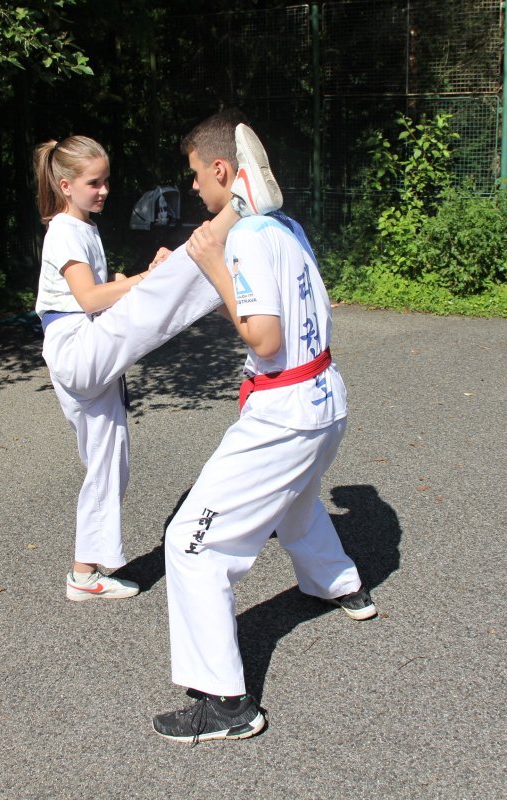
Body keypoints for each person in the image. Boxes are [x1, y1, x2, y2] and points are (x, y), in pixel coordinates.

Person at [151, 113, 377, 743]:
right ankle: (341, 586)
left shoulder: (246, 238)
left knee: (190, 545)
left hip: (284, 415)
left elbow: (264, 337)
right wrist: (197, 265)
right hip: (325, 402)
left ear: (222, 170)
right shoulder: (286, 228)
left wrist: (217, 265)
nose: (193, 185)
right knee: (295, 498)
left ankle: (226, 704)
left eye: (196, 174)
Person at [32, 134, 281, 602]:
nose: (104, 190)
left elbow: (101, 290)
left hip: (83, 346)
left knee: (109, 463)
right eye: (94, 183)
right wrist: (149, 278)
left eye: (106, 181)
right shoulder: (64, 230)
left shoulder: (83, 228)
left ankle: (84, 575)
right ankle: (238, 208)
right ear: (65, 186)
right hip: (76, 346)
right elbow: (88, 298)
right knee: (160, 295)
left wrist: (139, 277)